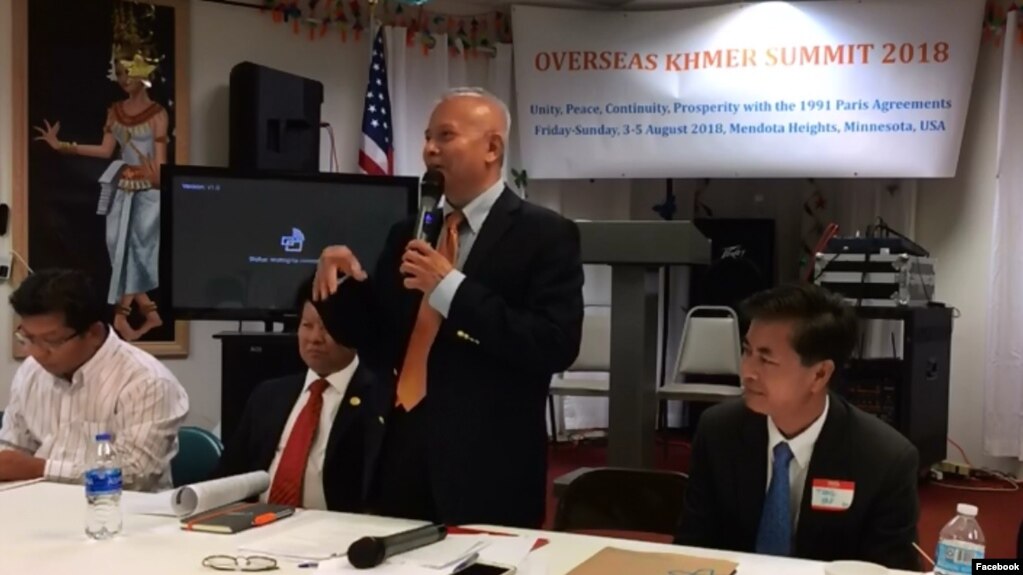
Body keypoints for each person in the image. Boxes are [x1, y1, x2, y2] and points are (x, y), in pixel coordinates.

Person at [313, 87, 584, 528]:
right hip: (397, 442)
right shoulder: (411, 230)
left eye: (445, 135)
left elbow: (554, 344)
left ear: (492, 148)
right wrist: (341, 286)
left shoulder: (545, 235)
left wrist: (452, 290)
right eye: (426, 137)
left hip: (486, 465)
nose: (429, 149)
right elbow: (379, 341)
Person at [674, 283, 920, 571]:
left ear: (819, 374)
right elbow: (692, 547)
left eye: (766, 359)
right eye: (747, 351)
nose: (747, 371)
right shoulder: (718, 431)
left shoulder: (885, 459)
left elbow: (891, 569)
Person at [33, 0, 169, 341]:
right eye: (119, 72)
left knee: (134, 250)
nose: (123, 79)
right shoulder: (114, 111)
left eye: (129, 71)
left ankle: (123, 317)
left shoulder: (158, 114)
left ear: (142, 71)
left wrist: (158, 177)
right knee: (116, 247)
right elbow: (106, 150)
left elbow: (161, 163)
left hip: (149, 191)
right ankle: (149, 314)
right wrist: (62, 145)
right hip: (121, 186)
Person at [0, 268, 189, 492]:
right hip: (38, 507)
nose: (37, 353)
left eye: (51, 341)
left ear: (94, 333)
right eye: (28, 338)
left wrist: (42, 468)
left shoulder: (147, 381)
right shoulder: (31, 371)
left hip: (123, 515)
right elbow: (13, 451)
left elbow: (136, 474)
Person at [212, 276, 389, 512]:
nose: (314, 338)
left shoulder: (380, 399)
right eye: (307, 325)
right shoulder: (269, 395)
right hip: (258, 525)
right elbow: (228, 475)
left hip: (338, 532)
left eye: (327, 328)